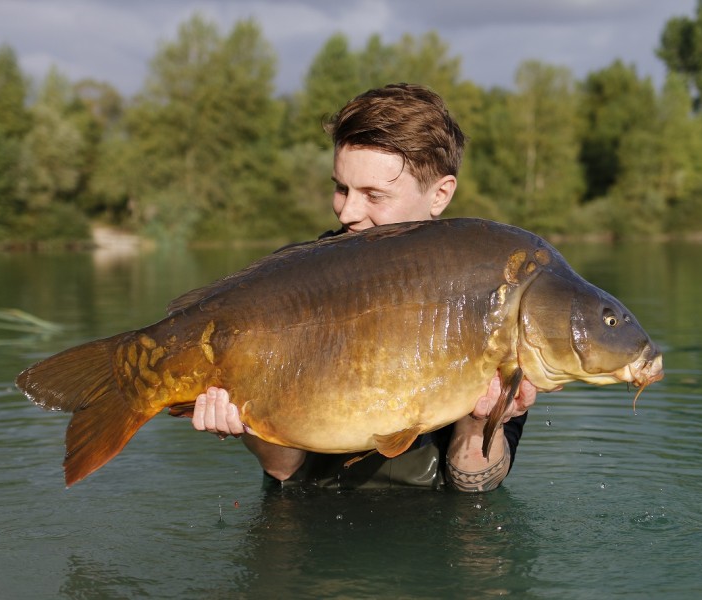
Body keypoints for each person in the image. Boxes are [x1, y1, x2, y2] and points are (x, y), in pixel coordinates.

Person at [191, 83, 537, 492]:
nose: (348, 211)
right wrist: (247, 422)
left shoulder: (488, 299)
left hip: (430, 537)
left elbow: (474, 487)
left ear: (440, 194)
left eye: (374, 194)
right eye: (341, 188)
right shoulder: (291, 284)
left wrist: (482, 422)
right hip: (309, 525)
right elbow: (285, 473)